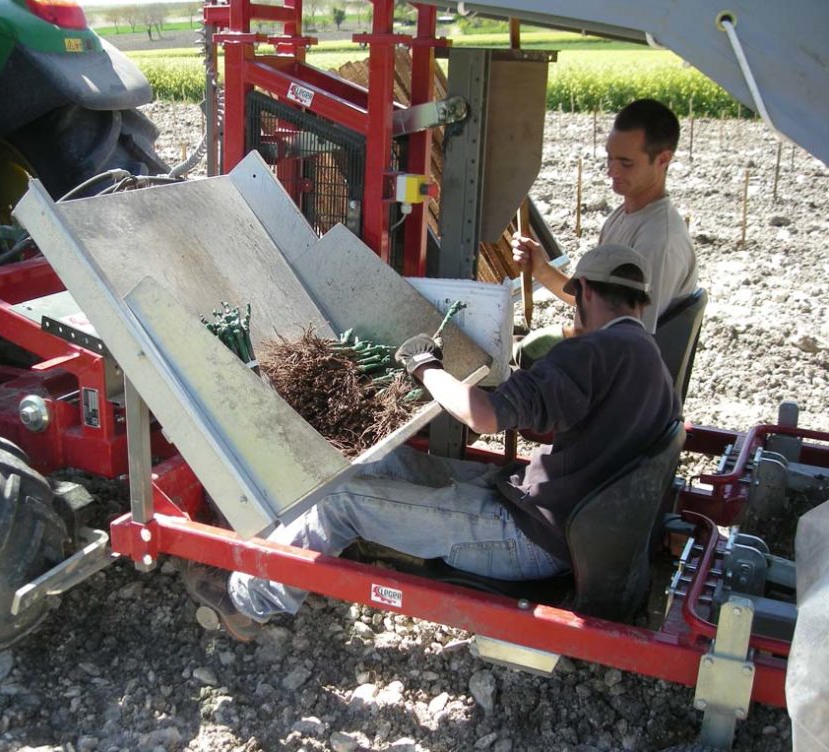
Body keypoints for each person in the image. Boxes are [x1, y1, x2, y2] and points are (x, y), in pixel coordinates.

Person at [182, 245, 681, 641]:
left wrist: (424, 366)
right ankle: (284, 545)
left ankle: (248, 603)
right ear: (639, 302)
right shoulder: (649, 359)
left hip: (529, 538)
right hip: (554, 514)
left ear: (584, 291)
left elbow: (480, 416)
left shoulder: (592, 353)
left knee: (342, 501)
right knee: (379, 463)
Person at [513, 98, 697, 366]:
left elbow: (630, 347)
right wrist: (541, 269)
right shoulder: (623, 216)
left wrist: (561, 343)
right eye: (610, 158)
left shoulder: (658, 241)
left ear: (663, 160)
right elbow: (594, 305)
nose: (612, 171)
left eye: (626, 163)